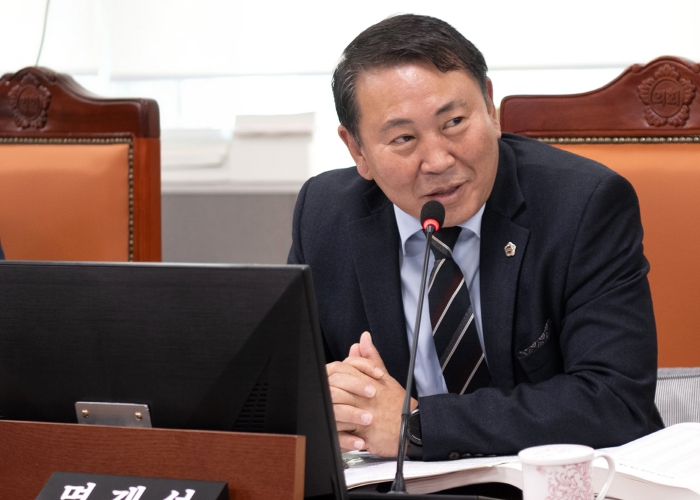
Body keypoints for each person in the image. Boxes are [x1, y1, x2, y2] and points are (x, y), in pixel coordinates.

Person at [288, 14, 663, 461]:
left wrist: (418, 426)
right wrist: (330, 400)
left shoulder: (583, 204)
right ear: (357, 150)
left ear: (489, 107)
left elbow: (615, 400)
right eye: (404, 138)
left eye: (454, 122)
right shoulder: (324, 214)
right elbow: (288, 386)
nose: (438, 161)